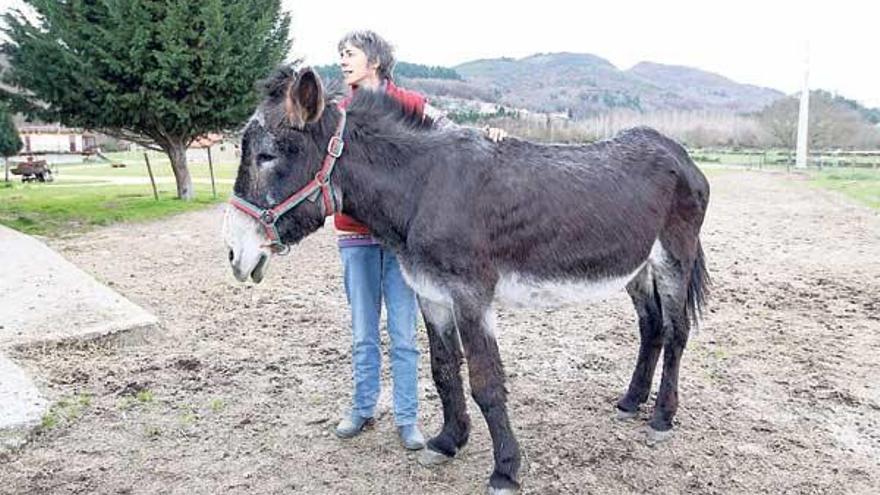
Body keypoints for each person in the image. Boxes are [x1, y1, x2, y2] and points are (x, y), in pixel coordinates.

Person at [332, 30, 504, 450]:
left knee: (405, 334)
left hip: (402, 240)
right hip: (354, 236)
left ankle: (408, 419)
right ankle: (362, 407)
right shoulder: (339, 111)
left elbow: (449, 130)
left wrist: (486, 134)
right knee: (362, 332)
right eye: (339, 55)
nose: (342, 61)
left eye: (349, 54)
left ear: (373, 60)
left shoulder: (407, 103)